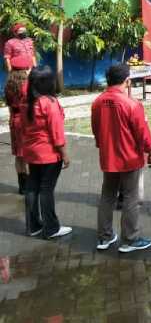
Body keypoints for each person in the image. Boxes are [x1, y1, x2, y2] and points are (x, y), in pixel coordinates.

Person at [91, 64, 151, 252]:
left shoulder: (98, 102)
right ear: (127, 81)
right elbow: (142, 133)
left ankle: (105, 237)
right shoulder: (131, 104)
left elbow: (96, 129)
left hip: (108, 157)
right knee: (131, 198)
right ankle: (130, 239)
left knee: (107, 196)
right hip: (129, 159)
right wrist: (150, 151)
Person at [22, 66, 72, 239]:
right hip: (48, 153)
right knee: (46, 190)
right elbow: (57, 133)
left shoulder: (26, 102)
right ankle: (51, 228)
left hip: (31, 152)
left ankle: (33, 226)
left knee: (32, 187)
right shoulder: (49, 103)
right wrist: (64, 154)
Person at [4, 56, 31, 194]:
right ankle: (29, 185)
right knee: (26, 154)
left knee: (18, 155)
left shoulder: (8, 84)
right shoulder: (27, 84)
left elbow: (9, 106)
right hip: (24, 121)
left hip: (13, 120)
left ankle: (22, 186)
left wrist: (11, 118)